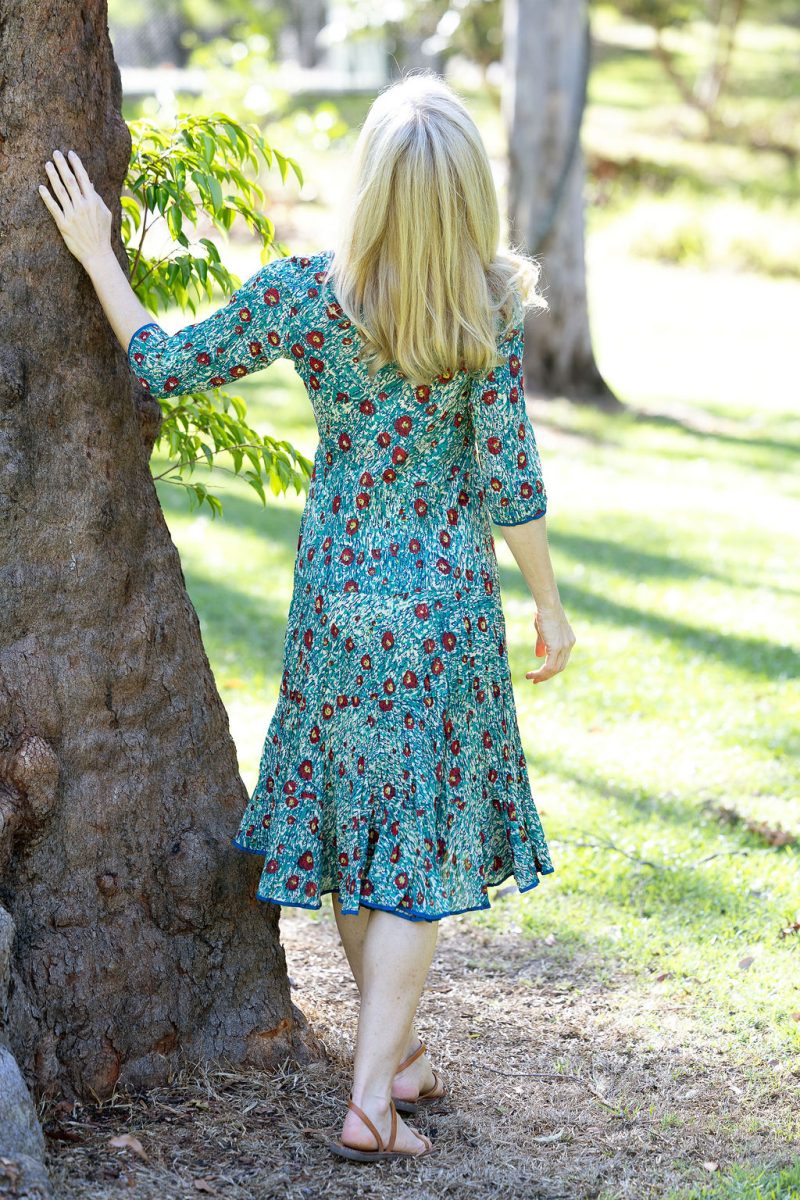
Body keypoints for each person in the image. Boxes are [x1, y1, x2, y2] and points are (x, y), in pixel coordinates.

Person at [39, 70, 576, 1164]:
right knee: (414, 850)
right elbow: (510, 483)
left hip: (335, 608)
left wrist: (98, 252)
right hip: (438, 617)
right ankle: (370, 1105)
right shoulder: (482, 311)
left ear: (369, 185)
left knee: (355, 838)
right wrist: (550, 608)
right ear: (466, 194)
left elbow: (170, 362)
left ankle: (398, 1062)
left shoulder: (304, 295)